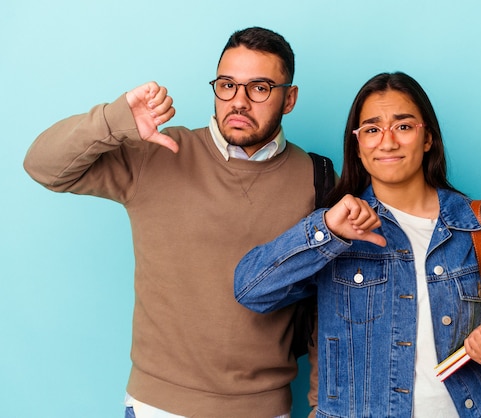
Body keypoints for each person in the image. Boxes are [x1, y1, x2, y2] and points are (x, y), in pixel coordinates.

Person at [23, 27, 328, 418]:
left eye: (260, 87)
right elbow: (42, 166)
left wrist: (322, 406)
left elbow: (328, 309)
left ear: (290, 98)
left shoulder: (317, 179)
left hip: (265, 408)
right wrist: (114, 121)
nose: (239, 101)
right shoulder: (160, 153)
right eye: (227, 85)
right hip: (158, 407)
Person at [234, 72, 481, 417]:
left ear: (427, 137)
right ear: (357, 145)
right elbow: (252, 290)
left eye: (403, 127)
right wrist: (326, 231)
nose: (387, 142)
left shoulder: (479, 225)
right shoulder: (338, 228)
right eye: (371, 130)